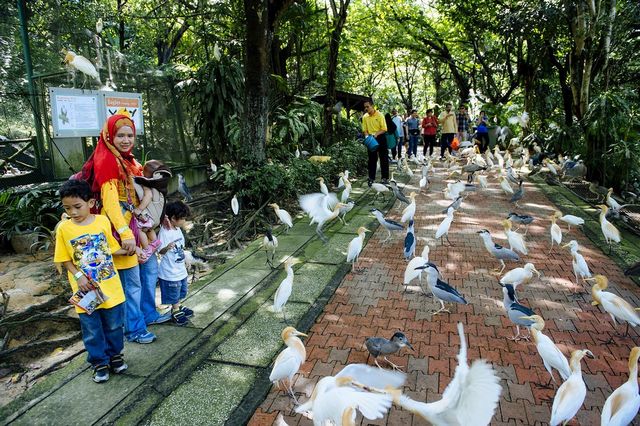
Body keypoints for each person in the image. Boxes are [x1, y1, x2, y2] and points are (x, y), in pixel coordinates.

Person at [76, 112, 171, 344]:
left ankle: (148, 314)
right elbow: (110, 203)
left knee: (148, 272)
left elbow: (140, 194)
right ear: (110, 136)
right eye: (120, 135)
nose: (126, 139)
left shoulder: (129, 161)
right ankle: (134, 329)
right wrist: (125, 233)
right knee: (131, 282)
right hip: (120, 230)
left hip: (137, 224)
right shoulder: (107, 161)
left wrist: (160, 216)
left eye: (130, 135)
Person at [54, 179, 128, 383]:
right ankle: (99, 362)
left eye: (77, 207)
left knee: (114, 325)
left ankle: (115, 356)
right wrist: (79, 277)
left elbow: (111, 247)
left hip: (110, 287)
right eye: (67, 208)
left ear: (91, 203)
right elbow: (63, 258)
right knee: (92, 329)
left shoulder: (102, 221)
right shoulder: (64, 228)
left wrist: (132, 250)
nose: (73, 212)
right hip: (85, 291)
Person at [158, 201, 194, 325]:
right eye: (182, 219)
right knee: (173, 291)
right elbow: (160, 251)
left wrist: (186, 259)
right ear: (173, 218)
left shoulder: (177, 229)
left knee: (181, 289)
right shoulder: (164, 232)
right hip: (169, 270)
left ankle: (179, 305)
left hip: (179, 267)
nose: (184, 221)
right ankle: (175, 310)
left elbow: (181, 247)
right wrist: (167, 247)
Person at [132, 160, 172, 258]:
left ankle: (146, 249)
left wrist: (139, 209)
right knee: (149, 228)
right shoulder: (160, 185)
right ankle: (155, 242)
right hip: (157, 217)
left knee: (139, 229)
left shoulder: (146, 183)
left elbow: (148, 196)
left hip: (149, 215)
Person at [362, 101, 389, 186]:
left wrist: (376, 134)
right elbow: (365, 130)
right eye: (365, 107)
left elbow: (384, 129)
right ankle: (371, 178)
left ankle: (384, 178)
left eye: (368, 106)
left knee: (383, 158)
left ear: (372, 106)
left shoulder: (380, 115)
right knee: (372, 160)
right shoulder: (365, 117)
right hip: (371, 139)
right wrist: (367, 138)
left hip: (380, 137)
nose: (366, 108)